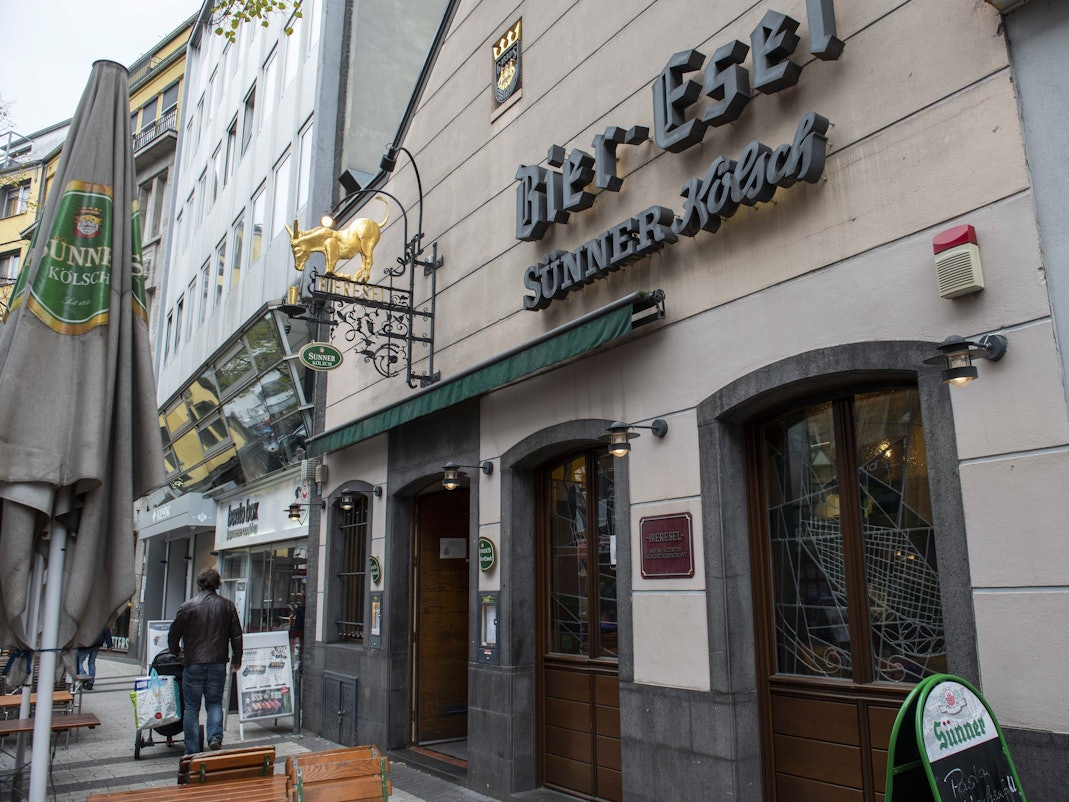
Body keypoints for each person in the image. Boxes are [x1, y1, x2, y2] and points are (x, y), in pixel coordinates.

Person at [167, 567, 243, 754]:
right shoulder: (227, 606)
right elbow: (236, 635)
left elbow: (173, 633)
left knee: (191, 708)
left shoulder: (187, 607)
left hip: (193, 662)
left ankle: (192, 749)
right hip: (217, 662)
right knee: (215, 703)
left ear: (199, 584)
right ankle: (215, 737)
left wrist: (175, 651)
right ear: (217, 584)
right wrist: (237, 658)